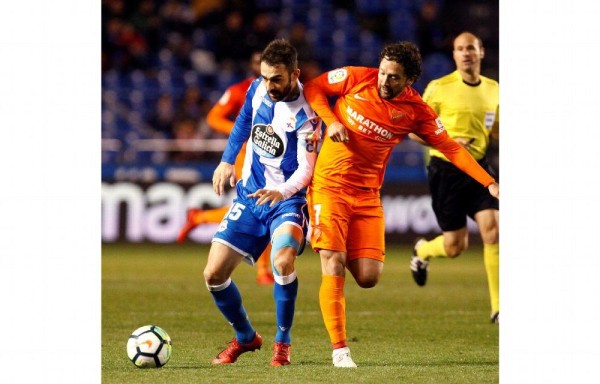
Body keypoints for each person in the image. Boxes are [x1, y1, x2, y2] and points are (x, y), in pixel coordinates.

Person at [303, 41, 499, 368]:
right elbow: (313, 87)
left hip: (367, 196)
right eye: (382, 73)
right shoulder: (355, 78)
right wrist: (330, 120)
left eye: (394, 77)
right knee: (333, 261)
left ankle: (329, 245)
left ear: (408, 80)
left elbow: (450, 148)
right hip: (329, 186)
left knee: (368, 277)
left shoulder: (417, 110)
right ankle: (340, 350)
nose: (384, 82)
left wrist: (489, 182)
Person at [203, 38, 322, 366]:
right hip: (250, 195)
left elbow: (306, 171)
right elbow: (243, 122)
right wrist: (227, 160)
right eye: (265, 77)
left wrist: (281, 192)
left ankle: (282, 344)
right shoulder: (256, 88)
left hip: (286, 202)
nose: (269, 85)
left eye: (277, 79)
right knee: (213, 275)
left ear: (295, 74)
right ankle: (245, 337)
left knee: (282, 262)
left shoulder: (308, 115)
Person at [408, 31, 500, 324]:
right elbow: (413, 130)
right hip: (446, 171)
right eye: (460, 49)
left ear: (481, 51)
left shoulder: (495, 89)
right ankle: (423, 250)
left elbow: (495, 129)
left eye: (471, 48)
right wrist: (446, 142)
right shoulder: (439, 88)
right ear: (455, 55)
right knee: (455, 246)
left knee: (494, 230)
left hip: (479, 167)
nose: (466, 53)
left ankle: (499, 308)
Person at [177, 51, 275, 285]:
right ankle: (263, 270)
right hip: (247, 154)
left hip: (274, 151)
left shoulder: (281, 89)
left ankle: (199, 217)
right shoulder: (240, 91)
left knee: (258, 205)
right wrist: (241, 129)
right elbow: (213, 118)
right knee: (260, 204)